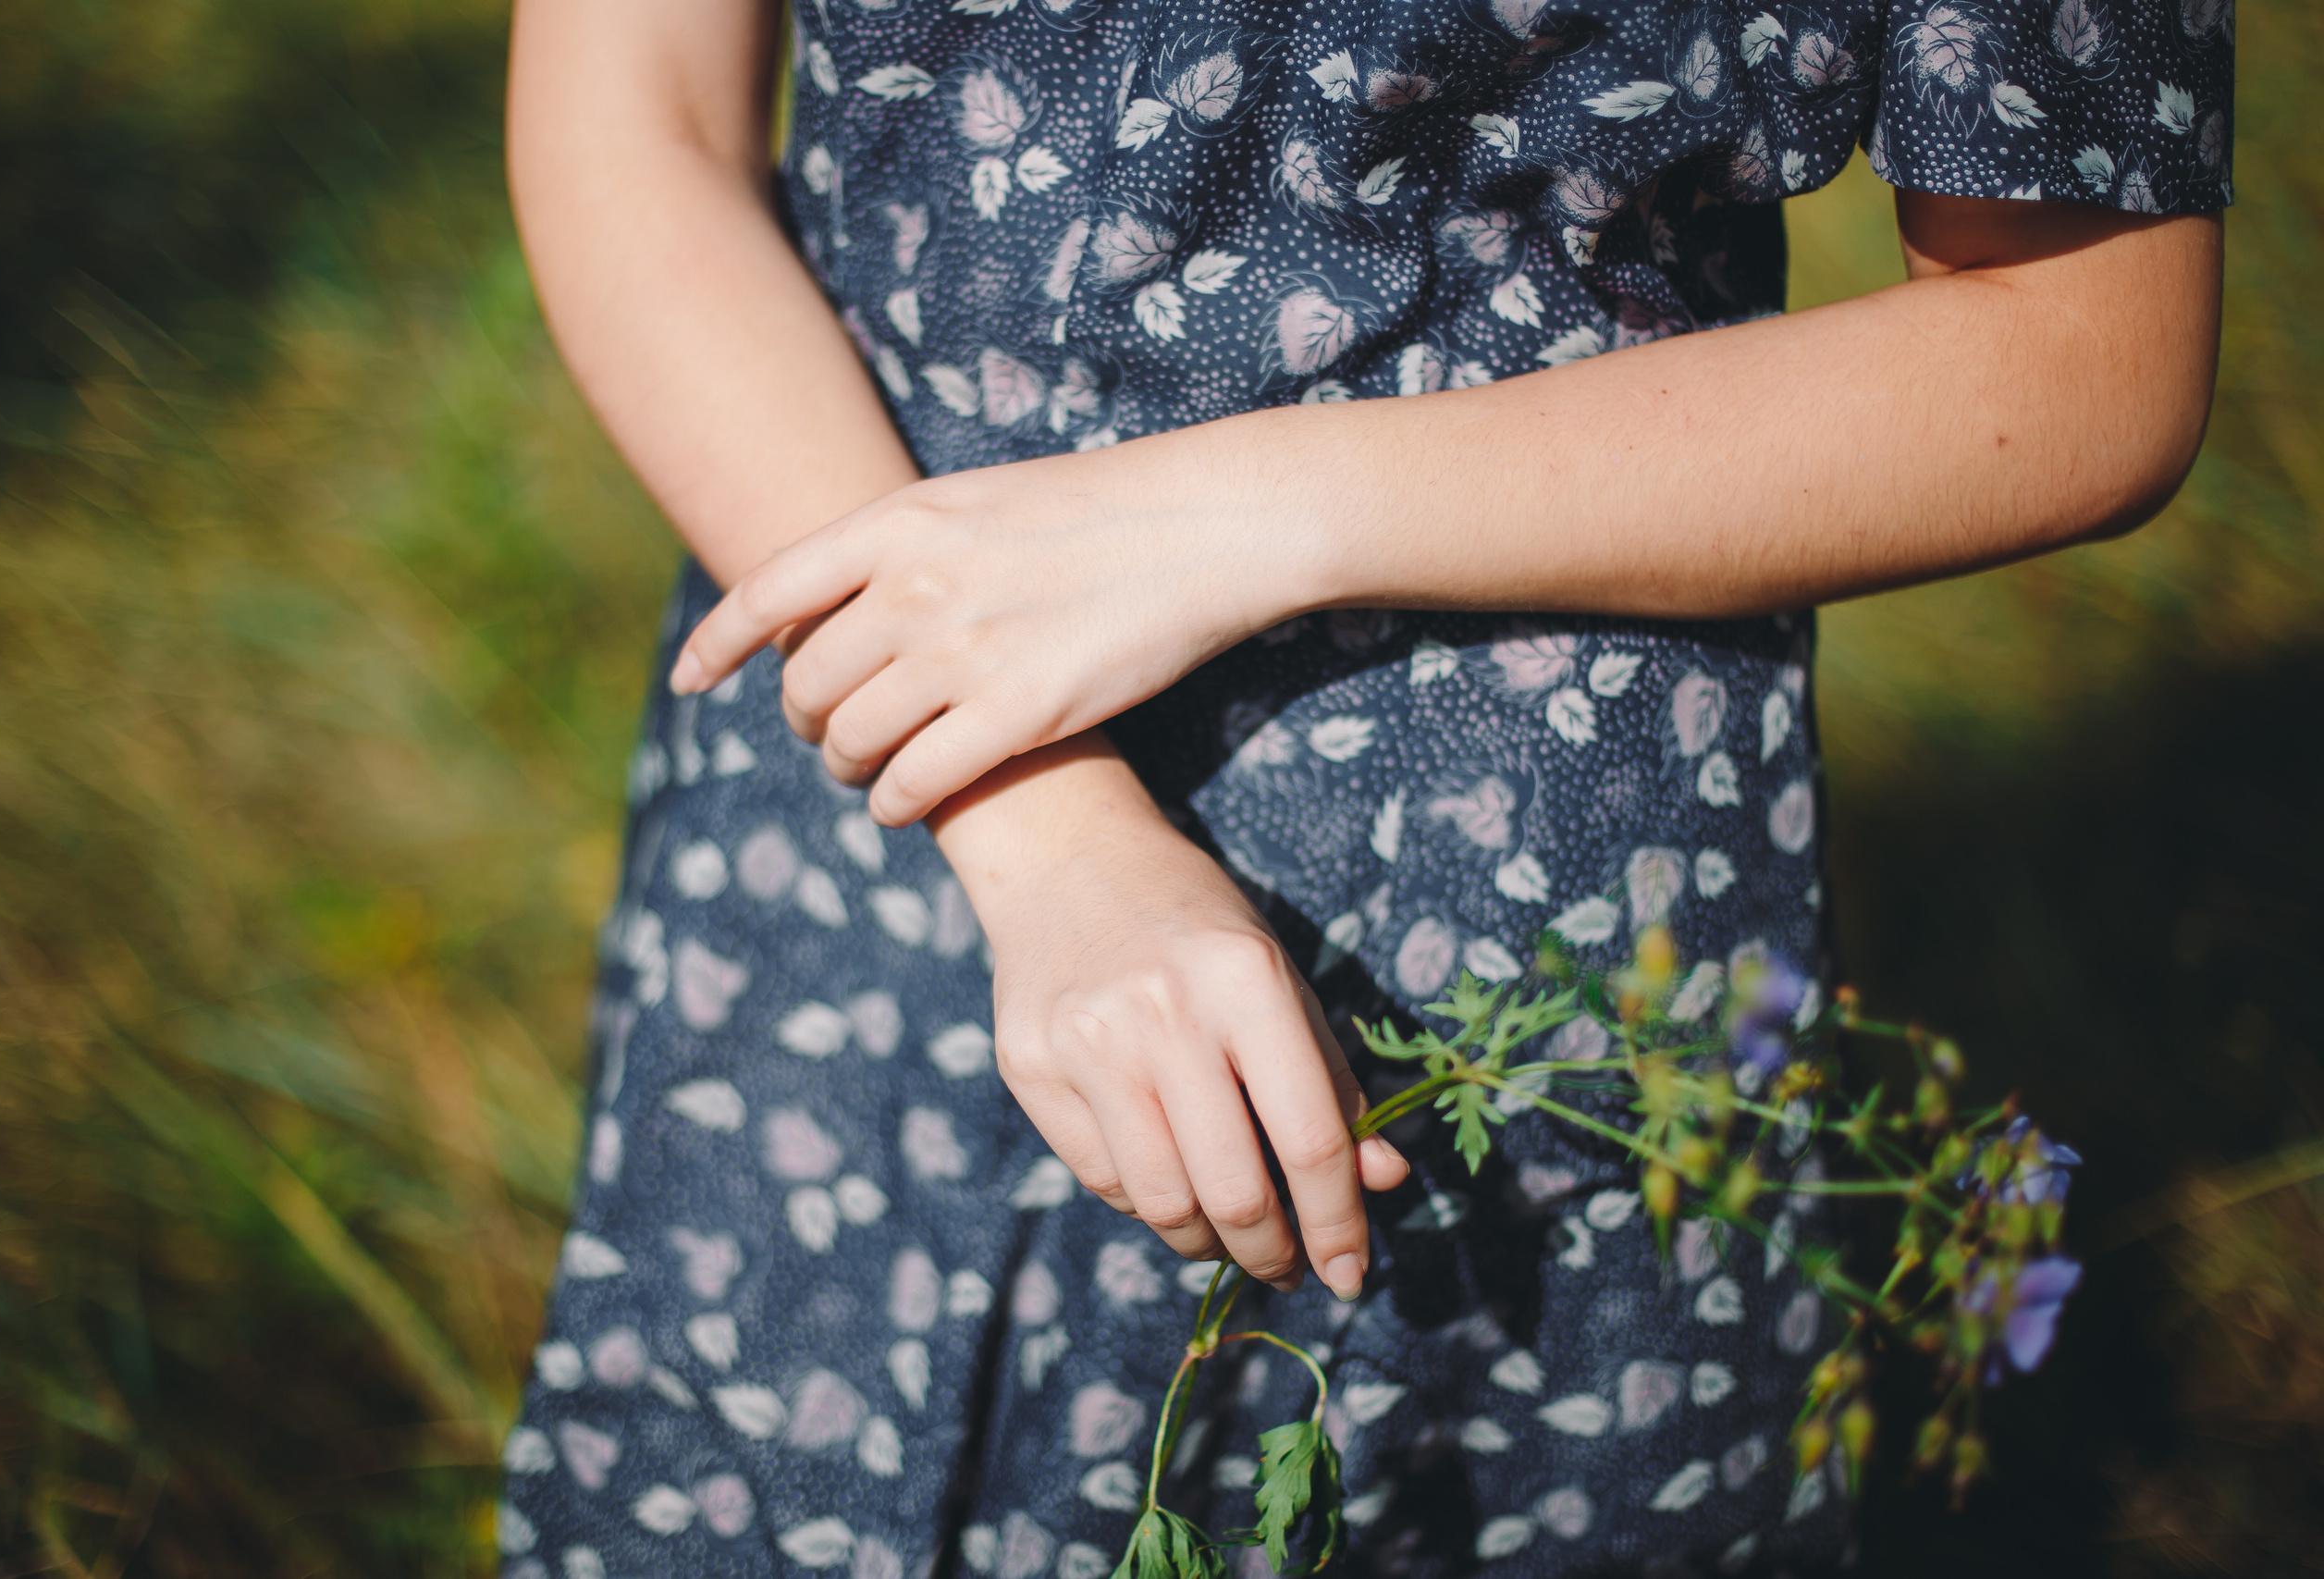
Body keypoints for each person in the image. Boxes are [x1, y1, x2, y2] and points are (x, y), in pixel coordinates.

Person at [498, 0, 2226, 1573]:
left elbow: (2086, 354)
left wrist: (1223, 522)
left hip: (1523, 879)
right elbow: (636, 117)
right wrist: (1037, 824)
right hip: (870, 719)